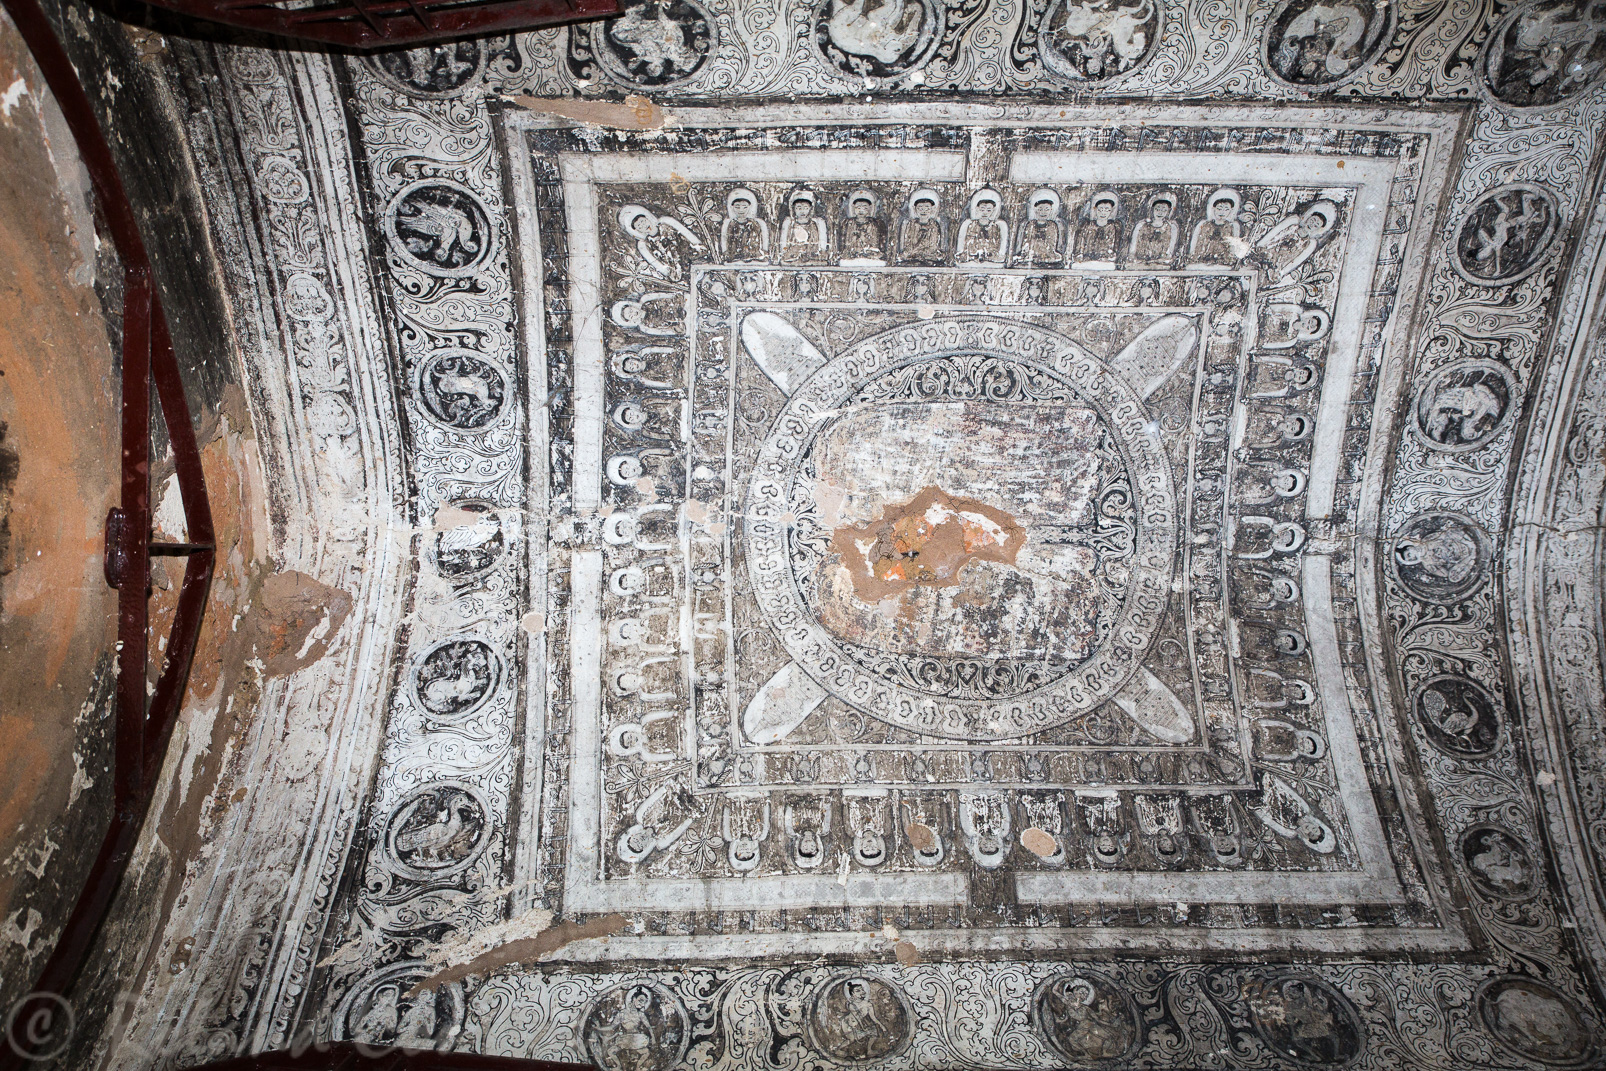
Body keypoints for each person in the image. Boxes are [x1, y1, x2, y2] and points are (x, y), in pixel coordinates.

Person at [1187, 188, 1243, 266]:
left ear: (1231, 210)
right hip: (1202, 263)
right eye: (1219, 209)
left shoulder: (1233, 226)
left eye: (1226, 209)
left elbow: (1233, 249)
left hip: (1224, 264)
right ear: (1213, 208)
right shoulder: (1203, 224)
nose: (1222, 212)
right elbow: (1195, 246)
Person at [956, 188, 1009, 265]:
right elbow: (960, 251)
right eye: (982, 209)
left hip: (991, 263)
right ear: (977, 209)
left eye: (988, 210)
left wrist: (989, 256)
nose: (985, 213)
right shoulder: (969, 225)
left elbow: (1001, 253)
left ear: (993, 211)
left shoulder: (998, 226)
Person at [897, 188, 948, 266]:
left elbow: (934, 245)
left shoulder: (934, 225)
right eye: (920, 208)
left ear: (932, 210)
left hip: (929, 255)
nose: (923, 211)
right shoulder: (911, 225)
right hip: (912, 255)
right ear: (915, 209)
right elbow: (908, 244)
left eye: (927, 208)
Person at [1015, 188, 1065, 266]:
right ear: (1035, 210)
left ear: (1051, 210)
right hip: (1032, 253)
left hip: (1047, 254)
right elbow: (1027, 242)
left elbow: (1051, 244)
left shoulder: (1052, 225)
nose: (1043, 212)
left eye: (1046, 209)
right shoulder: (1031, 224)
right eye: (1040, 209)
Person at [1072, 191, 1123, 267]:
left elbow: (1116, 247)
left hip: (1106, 262)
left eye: (1107, 210)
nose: (1103, 213)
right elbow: (1079, 246)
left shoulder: (1114, 227)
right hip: (1087, 261)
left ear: (1111, 211)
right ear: (1095, 209)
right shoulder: (1086, 226)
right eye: (1100, 209)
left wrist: (1112, 255)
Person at [1128, 192, 1179, 266]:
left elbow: (1169, 253)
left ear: (1168, 211)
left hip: (1161, 264)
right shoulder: (1141, 225)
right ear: (1152, 209)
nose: (1160, 213)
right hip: (1140, 262)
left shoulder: (1171, 227)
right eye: (1157, 209)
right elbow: (1132, 250)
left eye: (1164, 210)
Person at [777, 188, 827, 264]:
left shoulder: (816, 223)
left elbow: (822, 249)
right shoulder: (790, 223)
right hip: (793, 257)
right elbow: (784, 247)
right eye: (799, 208)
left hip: (812, 257)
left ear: (810, 209)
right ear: (793, 209)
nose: (802, 211)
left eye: (805, 208)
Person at [837, 189, 886, 264]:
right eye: (858, 208)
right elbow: (843, 241)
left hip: (870, 256)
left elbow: (879, 243)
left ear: (870, 209)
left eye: (865, 208)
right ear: (853, 208)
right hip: (851, 256)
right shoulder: (847, 223)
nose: (861, 211)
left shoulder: (875, 224)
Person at [720, 188, 769, 262]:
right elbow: (725, 246)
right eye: (737, 207)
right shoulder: (729, 224)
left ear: (750, 207)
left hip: (754, 259)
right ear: (732, 207)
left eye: (744, 207)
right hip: (734, 259)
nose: (741, 210)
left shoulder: (757, 224)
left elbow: (764, 247)